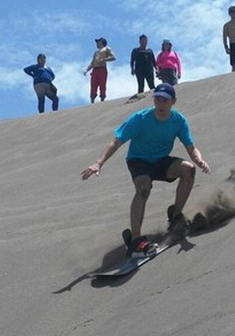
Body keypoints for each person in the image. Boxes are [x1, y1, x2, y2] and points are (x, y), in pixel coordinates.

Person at [80, 83, 210, 257]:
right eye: (157, 99)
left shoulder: (178, 120)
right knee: (143, 189)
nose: (161, 103)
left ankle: (176, 217)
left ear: (174, 101)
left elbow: (191, 147)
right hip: (139, 160)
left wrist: (199, 160)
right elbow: (116, 141)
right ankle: (135, 241)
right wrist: (98, 163)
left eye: (165, 100)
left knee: (189, 169)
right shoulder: (140, 119)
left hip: (161, 161)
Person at [85, 38, 115, 103]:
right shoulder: (96, 52)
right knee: (93, 85)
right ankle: (92, 100)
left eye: (98, 42)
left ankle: (102, 99)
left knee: (102, 84)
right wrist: (87, 70)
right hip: (95, 69)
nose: (96, 44)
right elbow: (92, 63)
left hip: (102, 68)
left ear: (101, 42)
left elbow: (113, 57)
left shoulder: (107, 49)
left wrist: (104, 59)